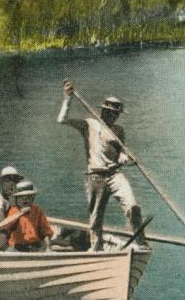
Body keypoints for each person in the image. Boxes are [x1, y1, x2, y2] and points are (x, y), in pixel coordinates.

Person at [58, 79, 144, 251]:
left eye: (116, 114)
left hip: (114, 174)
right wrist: (67, 98)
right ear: (103, 111)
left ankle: (141, 242)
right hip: (95, 176)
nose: (113, 116)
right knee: (96, 218)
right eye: (110, 112)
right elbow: (62, 120)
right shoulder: (89, 124)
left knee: (132, 206)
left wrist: (125, 158)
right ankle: (96, 248)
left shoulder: (119, 131)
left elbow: (121, 153)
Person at [5, 180, 55, 252]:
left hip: (35, 246)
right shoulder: (14, 211)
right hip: (17, 247)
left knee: (45, 250)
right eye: (22, 197)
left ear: (33, 198)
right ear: (16, 199)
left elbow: (45, 231)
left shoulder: (37, 210)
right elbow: (8, 226)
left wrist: (48, 247)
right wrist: (19, 214)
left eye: (29, 197)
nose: (26, 200)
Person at [0, 165, 24, 250]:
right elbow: (2, 221)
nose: (11, 183)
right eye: (8, 180)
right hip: (5, 229)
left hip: (21, 227)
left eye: (14, 180)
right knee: (0, 244)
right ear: (2, 183)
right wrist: (13, 202)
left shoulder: (23, 197)